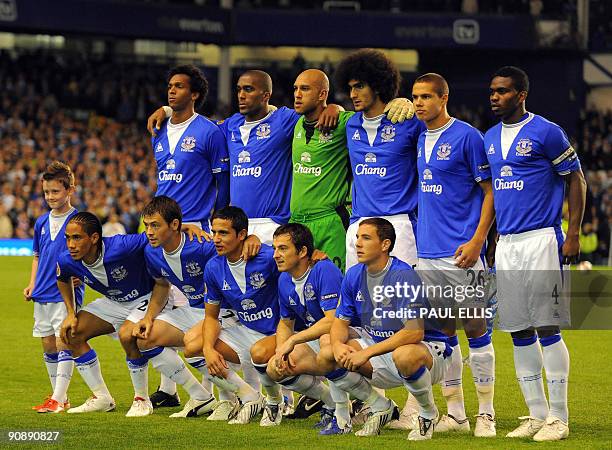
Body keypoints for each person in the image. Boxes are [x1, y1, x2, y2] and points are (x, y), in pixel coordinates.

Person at [484, 66, 586, 441]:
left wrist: (571, 233)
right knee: (517, 330)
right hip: (508, 244)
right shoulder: (489, 138)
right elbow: (494, 195)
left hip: (542, 239)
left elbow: (576, 180)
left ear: (521, 94)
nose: (494, 97)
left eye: (503, 91)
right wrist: (493, 241)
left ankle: (559, 418)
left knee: (547, 327)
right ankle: (535, 414)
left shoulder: (546, 131)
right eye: (492, 91)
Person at [412, 73, 496, 437]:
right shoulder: (418, 136)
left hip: (462, 252)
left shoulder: (467, 137)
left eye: (426, 97)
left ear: (444, 98)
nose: (418, 103)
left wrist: (479, 239)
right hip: (428, 252)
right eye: (414, 97)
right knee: (442, 335)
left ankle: (487, 414)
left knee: (477, 330)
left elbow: (491, 191)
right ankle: (457, 413)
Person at [316, 218, 451, 440]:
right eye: (358, 237)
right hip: (380, 348)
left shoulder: (403, 275)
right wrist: (339, 345)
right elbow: (340, 322)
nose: (358, 243)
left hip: (427, 352)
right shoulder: (353, 275)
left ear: (385, 244)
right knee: (327, 353)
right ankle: (380, 407)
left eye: (366, 238)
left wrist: (365, 353)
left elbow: (414, 332)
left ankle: (427, 414)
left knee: (404, 354)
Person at [290, 69, 413, 271]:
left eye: (304, 89)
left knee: (337, 286)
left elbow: (374, 115)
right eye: (295, 89)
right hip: (297, 221)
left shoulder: (345, 123)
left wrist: (405, 102)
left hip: (333, 221)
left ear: (322, 94)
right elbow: (263, 113)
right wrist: (334, 106)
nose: (297, 94)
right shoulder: (292, 123)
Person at [56, 212, 171, 415]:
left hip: (145, 296)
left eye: (76, 238)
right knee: (70, 334)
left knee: (128, 335)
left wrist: (185, 228)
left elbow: (158, 233)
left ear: (94, 238)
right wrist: (70, 312)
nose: (70, 244)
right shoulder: (66, 260)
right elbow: (63, 279)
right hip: (114, 302)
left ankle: (142, 399)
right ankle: (102, 398)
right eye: (67, 238)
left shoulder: (122, 246)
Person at [183, 206, 281, 424]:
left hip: (278, 335)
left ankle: (277, 402)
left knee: (262, 354)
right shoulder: (213, 267)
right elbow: (210, 317)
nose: (216, 239)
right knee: (194, 349)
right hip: (246, 332)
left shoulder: (267, 257)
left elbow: (298, 265)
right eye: (214, 232)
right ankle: (250, 397)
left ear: (242, 235)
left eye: (223, 233)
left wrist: (316, 257)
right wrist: (208, 349)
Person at [335, 49, 426, 271]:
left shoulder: (409, 121)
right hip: (359, 223)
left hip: (398, 224)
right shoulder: (350, 124)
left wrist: (410, 103)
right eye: (350, 88)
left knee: (399, 300)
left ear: (377, 85)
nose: (353, 94)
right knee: (360, 301)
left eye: (359, 86)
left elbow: (439, 125)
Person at [131, 196, 221, 418]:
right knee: (145, 338)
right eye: (147, 225)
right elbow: (162, 285)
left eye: (155, 225)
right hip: (194, 310)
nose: (149, 231)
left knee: (196, 343)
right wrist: (148, 317)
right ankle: (201, 397)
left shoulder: (202, 246)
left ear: (174, 225)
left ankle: (245, 397)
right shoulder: (152, 251)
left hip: (221, 312)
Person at [248, 223, 343, 430]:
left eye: (283, 248)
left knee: (328, 342)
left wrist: (292, 340)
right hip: (314, 339)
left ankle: (366, 407)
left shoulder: (324, 269)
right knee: (274, 367)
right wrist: (282, 351)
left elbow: (333, 320)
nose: (275, 255)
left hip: (346, 339)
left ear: (302, 252)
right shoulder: (284, 279)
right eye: (274, 248)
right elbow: (285, 322)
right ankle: (329, 402)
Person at [25, 162, 84, 413]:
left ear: (70, 189)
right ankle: (61, 396)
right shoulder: (40, 222)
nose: (50, 197)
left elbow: (91, 254)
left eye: (55, 191)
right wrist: (31, 283)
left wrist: (84, 275)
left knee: (64, 343)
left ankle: (58, 399)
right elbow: (37, 255)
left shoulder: (79, 220)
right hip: (42, 292)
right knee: (48, 345)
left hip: (65, 293)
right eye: (47, 192)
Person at [152, 64, 229, 232]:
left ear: (194, 94)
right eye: (170, 86)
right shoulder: (157, 130)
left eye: (179, 86)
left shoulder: (210, 132)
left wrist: (217, 222)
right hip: (160, 227)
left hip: (195, 228)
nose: (172, 90)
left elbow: (223, 184)